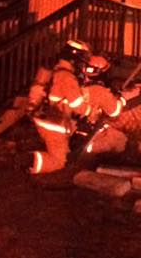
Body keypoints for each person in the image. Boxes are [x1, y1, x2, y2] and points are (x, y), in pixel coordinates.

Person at [25, 39, 91, 174]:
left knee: (60, 150)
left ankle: (26, 159)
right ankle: (25, 161)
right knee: (59, 161)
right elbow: (78, 106)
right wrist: (90, 109)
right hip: (54, 123)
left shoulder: (54, 71)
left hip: (41, 118)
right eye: (81, 61)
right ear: (74, 60)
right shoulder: (67, 77)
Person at [76, 54, 128, 156]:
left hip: (73, 132)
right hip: (90, 137)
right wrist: (119, 99)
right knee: (121, 140)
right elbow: (114, 112)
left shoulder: (77, 86)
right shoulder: (100, 91)